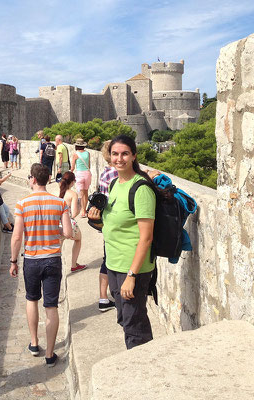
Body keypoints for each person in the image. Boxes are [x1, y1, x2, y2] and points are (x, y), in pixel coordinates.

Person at [88, 134, 156, 349]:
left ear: (134, 156)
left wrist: (132, 276)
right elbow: (111, 224)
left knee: (135, 327)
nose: (119, 158)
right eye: (115, 154)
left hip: (131, 267)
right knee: (124, 320)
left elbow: (146, 237)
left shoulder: (141, 188)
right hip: (113, 264)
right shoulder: (115, 183)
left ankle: (142, 371)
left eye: (125, 153)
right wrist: (97, 220)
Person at [10, 163, 72, 367]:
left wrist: (13, 261)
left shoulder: (22, 204)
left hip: (32, 260)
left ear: (33, 179)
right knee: (51, 306)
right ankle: (50, 354)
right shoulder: (60, 203)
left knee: (31, 299)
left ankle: (35, 343)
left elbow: (17, 236)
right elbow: (68, 233)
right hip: (53, 259)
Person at [97, 140, 118, 312]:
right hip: (116, 224)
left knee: (106, 259)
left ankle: (103, 298)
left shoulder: (105, 173)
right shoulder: (116, 174)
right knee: (115, 260)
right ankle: (116, 295)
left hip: (107, 222)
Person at [58, 171, 86, 273]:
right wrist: (80, 205)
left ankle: (56, 269)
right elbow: (73, 214)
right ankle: (74, 265)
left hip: (58, 223)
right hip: (68, 224)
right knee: (78, 239)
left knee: (58, 248)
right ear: (72, 182)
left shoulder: (59, 192)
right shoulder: (73, 194)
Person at [70, 138, 92, 218]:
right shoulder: (88, 153)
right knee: (86, 192)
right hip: (87, 174)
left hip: (79, 174)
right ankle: (84, 209)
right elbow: (89, 165)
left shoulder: (75, 154)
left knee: (81, 194)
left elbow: (72, 167)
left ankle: (82, 211)